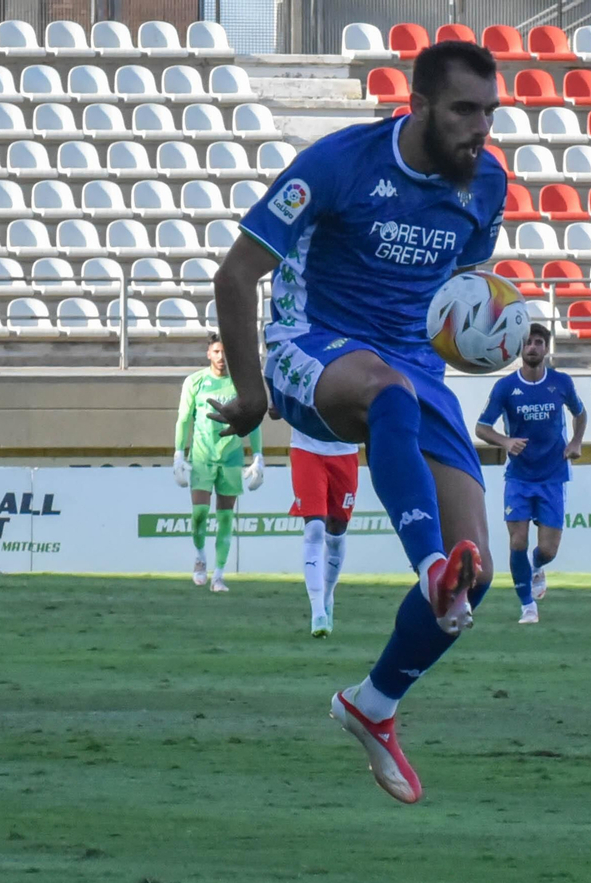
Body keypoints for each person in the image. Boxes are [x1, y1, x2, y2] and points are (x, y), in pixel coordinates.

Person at [206, 41, 505, 803]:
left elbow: (460, 289)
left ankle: (374, 705)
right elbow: (236, 273)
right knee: (389, 398)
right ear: (420, 107)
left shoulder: (486, 187)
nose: (481, 129)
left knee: (479, 573)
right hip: (313, 347)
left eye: (490, 113)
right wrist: (249, 395)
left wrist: (480, 333)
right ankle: (425, 565)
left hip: (414, 366)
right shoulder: (339, 164)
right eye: (466, 111)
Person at [474, 323, 586, 624]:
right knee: (517, 542)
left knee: (547, 549)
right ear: (519, 349)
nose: (533, 347)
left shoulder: (561, 382)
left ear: (546, 348)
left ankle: (537, 566)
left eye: (538, 342)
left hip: (553, 474)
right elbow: (481, 427)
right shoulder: (506, 387)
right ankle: (527, 607)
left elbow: (580, 413)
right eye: (528, 343)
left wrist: (575, 442)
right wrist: (505, 441)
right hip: (519, 477)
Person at [174, 334, 264, 592]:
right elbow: (183, 419)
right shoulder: (195, 382)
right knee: (199, 514)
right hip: (202, 457)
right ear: (208, 353)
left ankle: (219, 576)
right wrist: (178, 454)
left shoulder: (241, 385)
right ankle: (200, 557)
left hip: (231, 458)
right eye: (216, 351)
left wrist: (258, 455)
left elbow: (253, 422)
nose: (221, 357)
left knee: (225, 518)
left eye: (224, 352)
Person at [289, 424, 359, 638]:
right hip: (305, 449)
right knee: (314, 530)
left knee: (336, 533)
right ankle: (317, 610)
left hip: (344, 452)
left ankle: (327, 596)